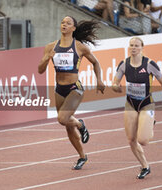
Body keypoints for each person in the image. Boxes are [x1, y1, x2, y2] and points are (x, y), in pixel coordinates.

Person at [38, 16, 105, 170]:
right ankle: (82, 156)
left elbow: (95, 62)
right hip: (59, 89)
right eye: (62, 22)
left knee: (62, 119)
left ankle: (80, 124)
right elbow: (40, 70)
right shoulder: (51, 47)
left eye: (68, 23)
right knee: (68, 126)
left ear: (73, 28)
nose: (64, 25)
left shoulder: (79, 47)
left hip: (75, 88)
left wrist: (99, 80)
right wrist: (47, 58)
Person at [112, 37, 162, 179]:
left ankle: (150, 123)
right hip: (130, 103)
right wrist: (115, 87)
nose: (133, 48)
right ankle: (145, 166)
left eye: (136, 45)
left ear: (142, 47)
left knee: (143, 140)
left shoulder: (149, 64)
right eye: (131, 45)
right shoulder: (124, 64)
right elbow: (115, 81)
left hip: (146, 103)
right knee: (131, 139)